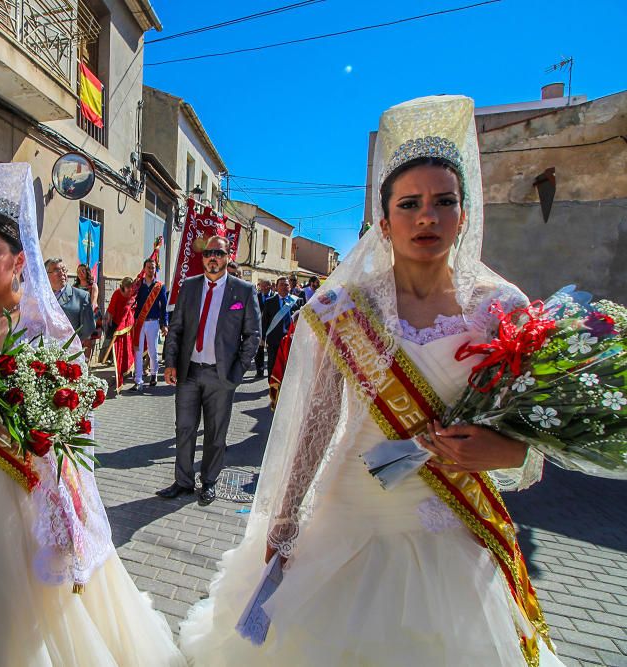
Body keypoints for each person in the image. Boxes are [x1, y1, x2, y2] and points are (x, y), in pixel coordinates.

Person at [178, 96, 563, 666]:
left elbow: (530, 443)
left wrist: (501, 451)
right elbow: (317, 419)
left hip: (451, 526)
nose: (426, 217)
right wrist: (284, 518)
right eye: (409, 204)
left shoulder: (503, 308)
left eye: (443, 202)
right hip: (351, 511)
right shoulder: (345, 307)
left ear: (464, 213)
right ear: (385, 222)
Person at [0, 162, 185, 667]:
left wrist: (4, 418)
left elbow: (71, 423)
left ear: (19, 260)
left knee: (16, 604)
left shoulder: (47, 330)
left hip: (20, 492)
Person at [158, 235, 261, 506]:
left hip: (221, 376)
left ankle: (210, 481)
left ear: (228, 257)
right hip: (189, 372)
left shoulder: (243, 290)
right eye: (207, 253)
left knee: (216, 433)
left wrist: (236, 374)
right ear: (202, 258)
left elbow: (253, 336)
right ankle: (183, 481)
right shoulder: (190, 287)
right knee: (185, 428)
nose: (212, 257)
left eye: (218, 253)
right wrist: (169, 363)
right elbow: (176, 328)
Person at [131, 258, 167, 391]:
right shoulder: (139, 285)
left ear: (155, 269)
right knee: (138, 350)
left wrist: (164, 324)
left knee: (152, 350)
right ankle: (138, 379)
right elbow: (131, 299)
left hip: (153, 322)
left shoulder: (159, 286)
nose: (151, 270)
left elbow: (163, 307)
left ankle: (153, 373)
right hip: (140, 322)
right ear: (144, 269)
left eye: (153, 268)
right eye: (148, 267)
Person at [259, 276, 303, 380]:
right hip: (274, 339)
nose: (284, 287)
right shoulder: (270, 301)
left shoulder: (298, 301)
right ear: (276, 287)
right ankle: (273, 387)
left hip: (291, 339)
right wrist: (262, 338)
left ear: (290, 287)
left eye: (286, 285)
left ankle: (286, 388)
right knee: (272, 363)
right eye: (281, 285)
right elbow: (264, 321)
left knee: (289, 365)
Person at [47, 257, 96, 347]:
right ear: (46, 275)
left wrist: (72, 344)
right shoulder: (41, 296)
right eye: (56, 270)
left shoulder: (81, 296)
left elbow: (88, 328)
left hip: (69, 353)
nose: (62, 273)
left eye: (64, 269)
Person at [102, 276, 135, 394]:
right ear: (123, 287)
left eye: (131, 288)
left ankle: (126, 365)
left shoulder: (132, 295)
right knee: (111, 342)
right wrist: (109, 322)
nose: (130, 290)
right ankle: (109, 359)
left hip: (126, 324)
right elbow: (111, 309)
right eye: (128, 288)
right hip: (116, 323)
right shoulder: (117, 294)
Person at [74, 262, 102, 361]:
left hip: (90, 315)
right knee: (77, 340)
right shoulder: (75, 286)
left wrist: (86, 315)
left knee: (88, 341)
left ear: (87, 272)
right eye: (78, 271)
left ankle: (86, 363)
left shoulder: (93, 286)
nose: (80, 273)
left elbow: (93, 302)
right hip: (78, 316)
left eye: (83, 271)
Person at [254, 280, 274, 378]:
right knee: (259, 349)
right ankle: (260, 369)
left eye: (266, 286)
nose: (264, 288)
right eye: (262, 286)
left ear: (270, 286)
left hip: (272, 326)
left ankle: (272, 370)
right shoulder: (256, 297)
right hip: (259, 326)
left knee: (271, 349)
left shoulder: (275, 296)